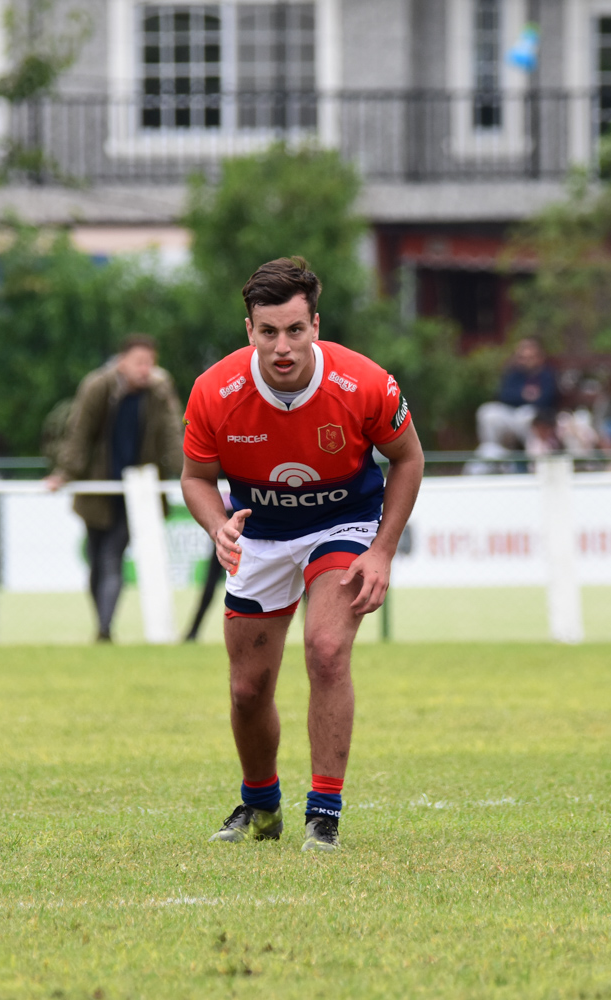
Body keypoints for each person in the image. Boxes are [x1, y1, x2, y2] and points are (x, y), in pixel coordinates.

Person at [180, 257, 424, 853]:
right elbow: (195, 477)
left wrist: (382, 551)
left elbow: (409, 459)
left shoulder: (364, 383)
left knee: (327, 648)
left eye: (295, 329)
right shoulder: (214, 391)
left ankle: (324, 813)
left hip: (342, 523)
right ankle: (261, 805)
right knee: (247, 689)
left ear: (316, 324)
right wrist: (217, 526)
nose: (282, 346)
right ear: (249, 330)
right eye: (268, 332)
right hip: (260, 533)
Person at [45, 334, 184, 642]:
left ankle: (105, 629)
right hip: (98, 488)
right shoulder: (98, 386)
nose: (146, 369)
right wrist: (64, 473)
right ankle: (102, 624)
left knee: (112, 556)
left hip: (138, 490)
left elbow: (173, 435)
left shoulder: (160, 391)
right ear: (122, 362)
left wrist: (191, 472)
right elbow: (79, 433)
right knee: (96, 561)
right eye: (139, 362)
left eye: (150, 362)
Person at [472, 337, 559, 466]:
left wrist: (522, 396)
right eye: (522, 357)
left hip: (531, 416)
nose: (526, 361)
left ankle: (533, 460)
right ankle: (493, 456)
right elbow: (503, 395)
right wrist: (525, 395)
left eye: (530, 357)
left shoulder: (546, 374)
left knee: (527, 415)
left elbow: (546, 399)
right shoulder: (512, 373)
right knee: (488, 412)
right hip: (510, 414)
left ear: (539, 357)